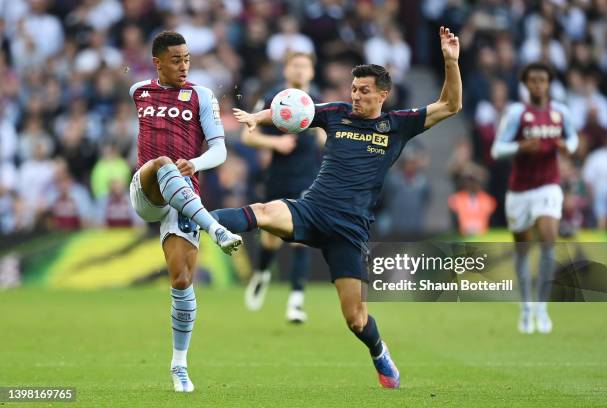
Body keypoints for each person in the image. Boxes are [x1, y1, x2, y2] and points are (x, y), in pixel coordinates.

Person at [213, 27, 462, 388]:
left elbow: (451, 105)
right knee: (264, 212)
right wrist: (258, 119)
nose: (356, 96)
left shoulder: (398, 125)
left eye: (364, 91)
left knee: (355, 319)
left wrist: (450, 62)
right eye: (353, 89)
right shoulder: (336, 114)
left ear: (383, 94)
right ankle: (196, 218)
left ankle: (379, 352)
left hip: (349, 229)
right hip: (312, 208)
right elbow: (295, 110)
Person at [128, 31, 242, 393]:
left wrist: (194, 162)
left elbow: (220, 151)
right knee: (162, 163)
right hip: (146, 189)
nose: (184, 65)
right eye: (176, 59)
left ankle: (179, 364)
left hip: (184, 195)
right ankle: (216, 229)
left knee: (180, 281)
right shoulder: (138, 92)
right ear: (157, 61)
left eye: (187, 58)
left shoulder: (201, 95)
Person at [491, 62, 578, 334]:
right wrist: (520, 146)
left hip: (549, 186)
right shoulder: (518, 114)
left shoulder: (560, 112)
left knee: (549, 235)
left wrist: (567, 147)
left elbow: (573, 139)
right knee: (522, 248)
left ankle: (541, 306)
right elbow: (497, 149)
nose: (538, 85)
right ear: (526, 85)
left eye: (543, 80)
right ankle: (526, 305)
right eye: (533, 80)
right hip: (520, 190)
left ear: (549, 83)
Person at [242, 52, 325, 323]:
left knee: (302, 238)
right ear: (287, 70)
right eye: (295, 65)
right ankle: (262, 272)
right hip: (278, 175)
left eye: (305, 66)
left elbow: (326, 138)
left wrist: (322, 133)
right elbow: (247, 135)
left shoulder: (318, 100)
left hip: (308, 178)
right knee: (271, 238)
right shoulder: (275, 99)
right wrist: (275, 144)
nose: (300, 71)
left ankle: (296, 302)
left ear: (312, 72)